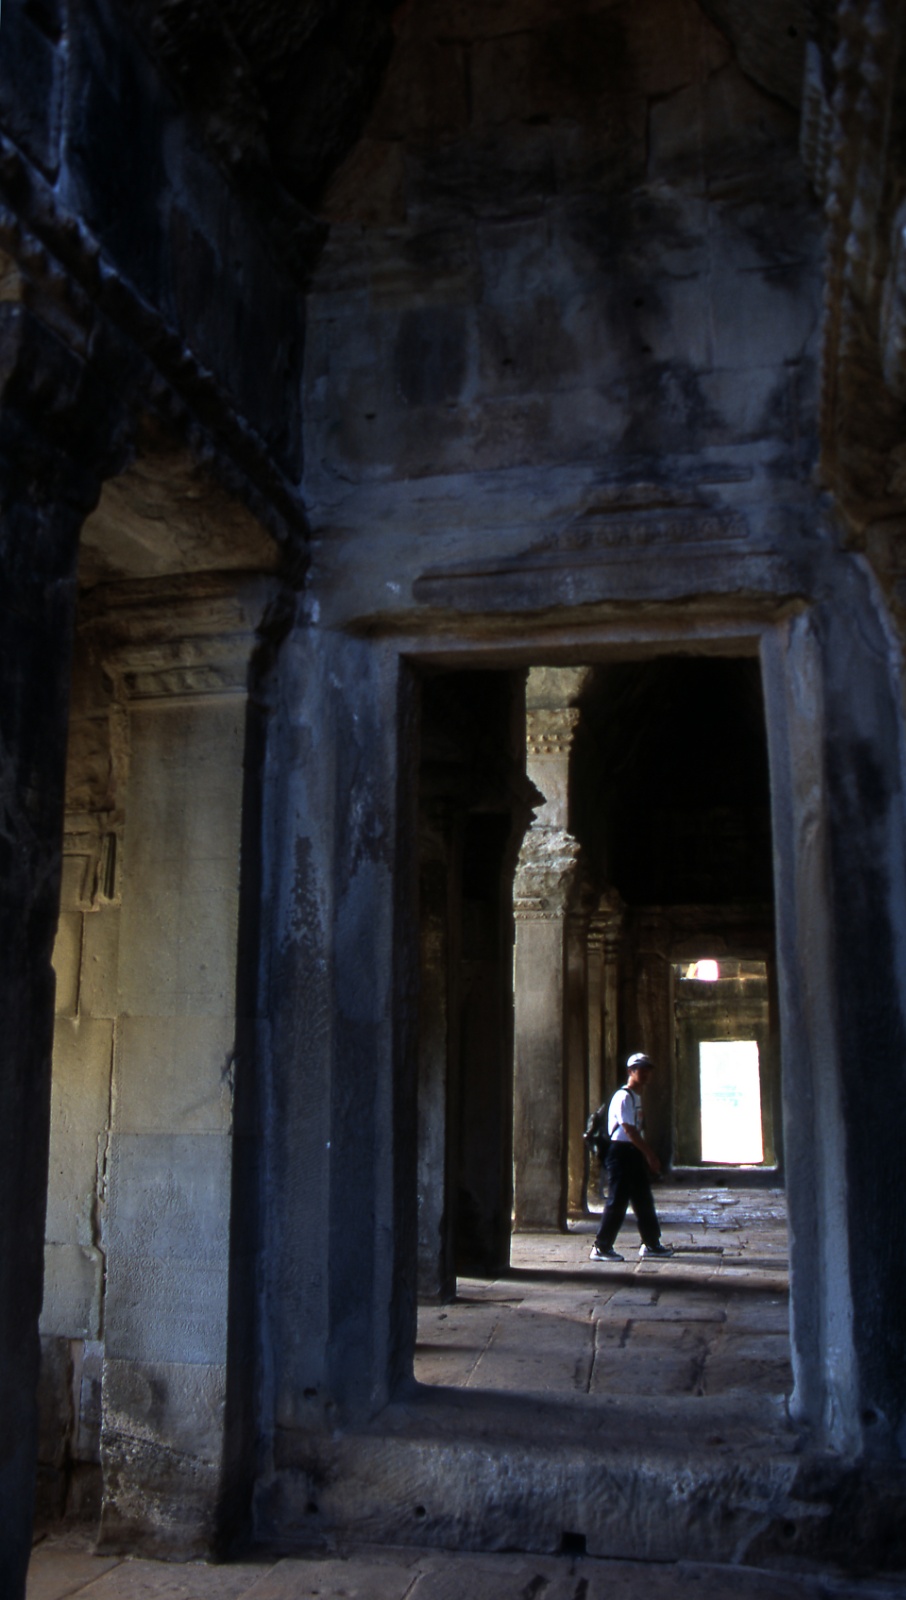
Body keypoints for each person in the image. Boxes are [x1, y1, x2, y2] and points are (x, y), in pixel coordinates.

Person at [590, 1052, 673, 1262]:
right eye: (640, 1069)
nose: (644, 1073)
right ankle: (601, 1247)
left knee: (643, 1199)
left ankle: (651, 1243)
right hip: (620, 1152)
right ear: (631, 1072)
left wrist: (643, 1154)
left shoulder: (636, 1096)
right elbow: (629, 1130)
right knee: (617, 1200)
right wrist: (650, 1155)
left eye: (647, 1069)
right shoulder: (623, 1096)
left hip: (632, 1152)